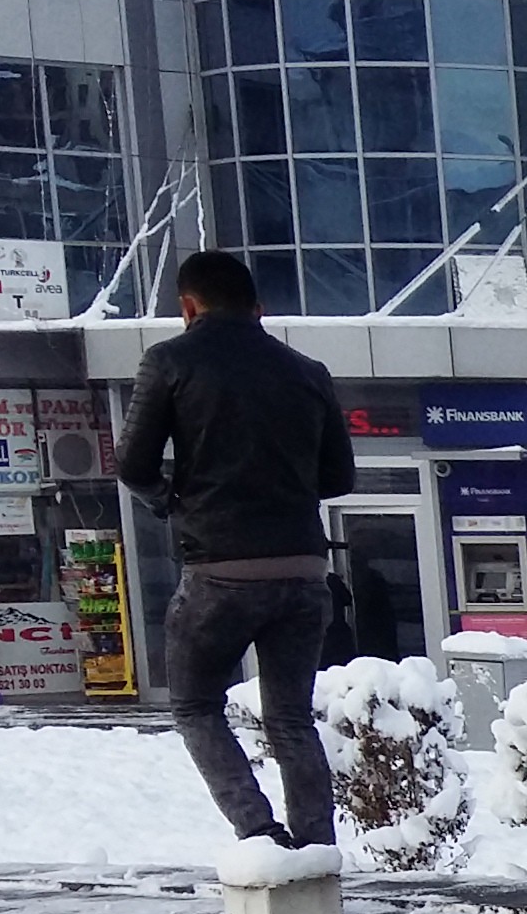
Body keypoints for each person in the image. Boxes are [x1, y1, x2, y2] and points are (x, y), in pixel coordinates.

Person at [117, 249, 356, 849]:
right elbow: (339, 479)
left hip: (219, 569)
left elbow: (132, 463)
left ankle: (260, 834)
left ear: (187, 307)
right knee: (291, 720)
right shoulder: (309, 371)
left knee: (196, 706)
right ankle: (316, 848)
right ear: (259, 310)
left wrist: (170, 499)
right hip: (304, 570)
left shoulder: (169, 361)